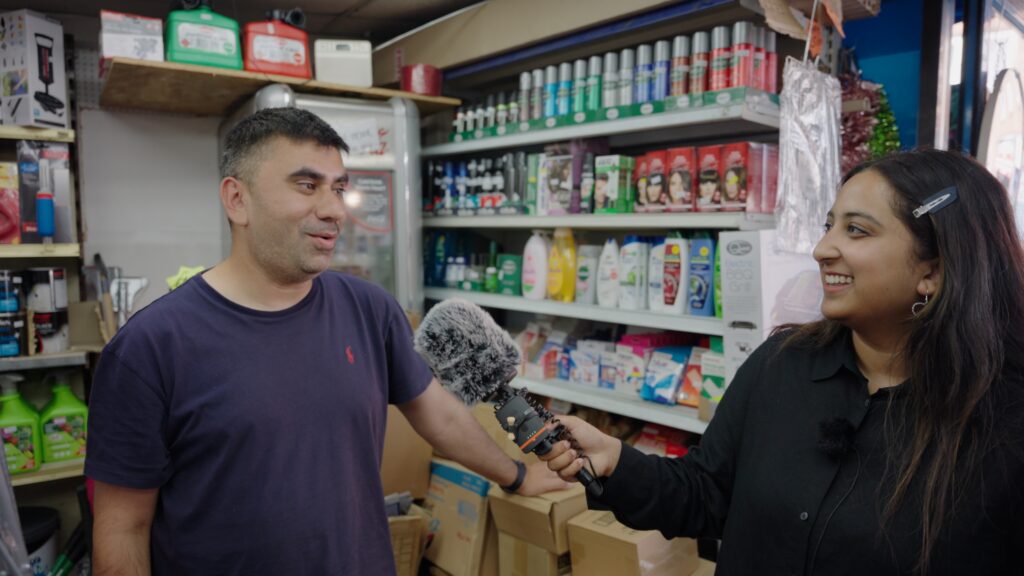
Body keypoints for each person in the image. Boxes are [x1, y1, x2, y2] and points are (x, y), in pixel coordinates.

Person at [85, 107, 568, 576]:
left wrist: (517, 474)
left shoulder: (369, 308)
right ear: (237, 200)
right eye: (307, 185)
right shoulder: (148, 348)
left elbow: (434, 410)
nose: (334, 209)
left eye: (339, 188)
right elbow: (123, 528)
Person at [540, 149, 1024, 575]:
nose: (821, 250)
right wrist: (614, 461)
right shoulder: (783, 363)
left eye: (856, 230)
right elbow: (706, 493)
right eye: (828, 225)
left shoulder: (1004, 420)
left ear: (932, 272)